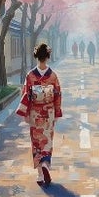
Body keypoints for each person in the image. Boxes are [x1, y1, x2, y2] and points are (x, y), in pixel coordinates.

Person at [17, 42, 62, 188]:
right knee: (47, 140)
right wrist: (56, 112)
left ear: (36, 56)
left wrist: (25, 112)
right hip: (48, 112)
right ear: (48, 56)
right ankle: (45, 164)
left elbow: (26, 94)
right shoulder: (53, 76)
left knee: (36, 142)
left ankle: (40, 173)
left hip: (35, 113)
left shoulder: (30, 75)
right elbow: (57, 95)